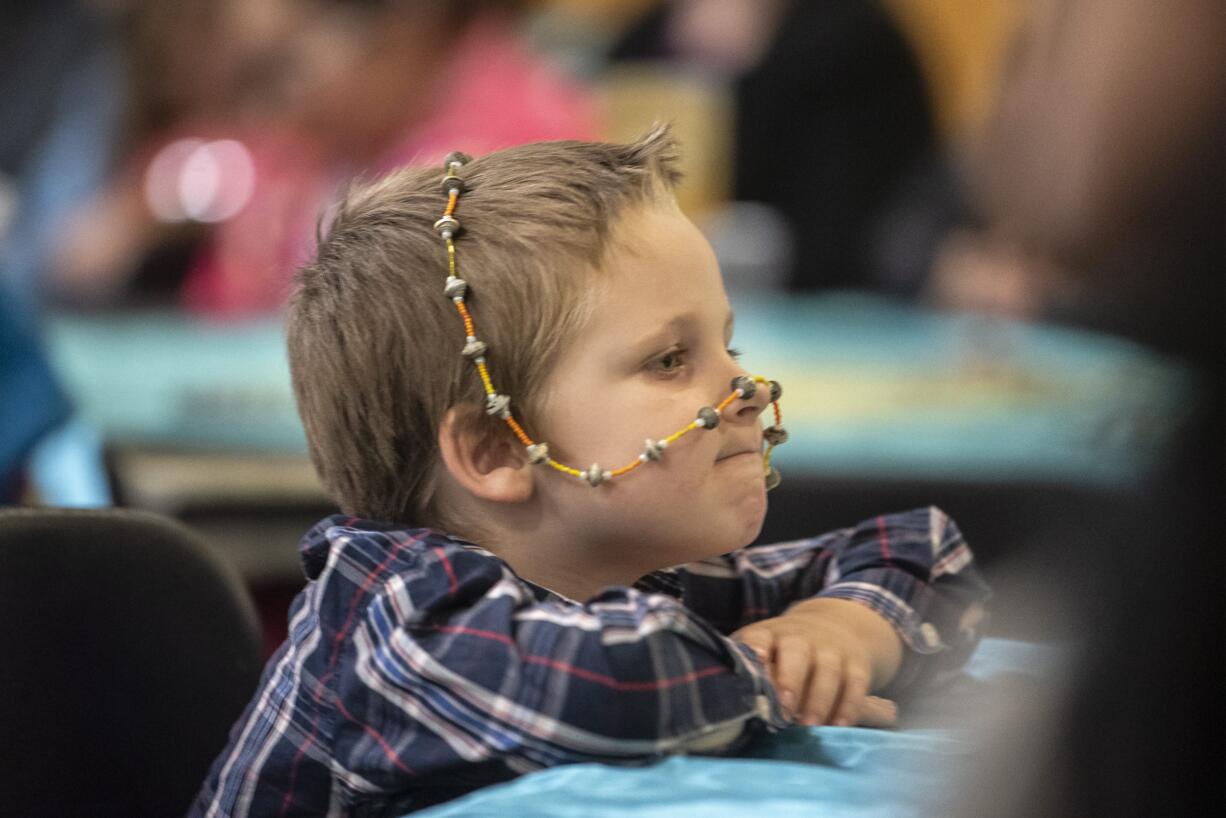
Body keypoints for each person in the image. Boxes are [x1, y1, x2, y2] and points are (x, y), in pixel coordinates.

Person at [190, 129, 990, 816]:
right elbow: (609, 687)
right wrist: (773, 678)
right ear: (499, 452)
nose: (743, 390)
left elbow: (923, 549)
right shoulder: (390, 620)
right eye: (670, 359)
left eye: (729, 346)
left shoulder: (627, 573)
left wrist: (840, 630)